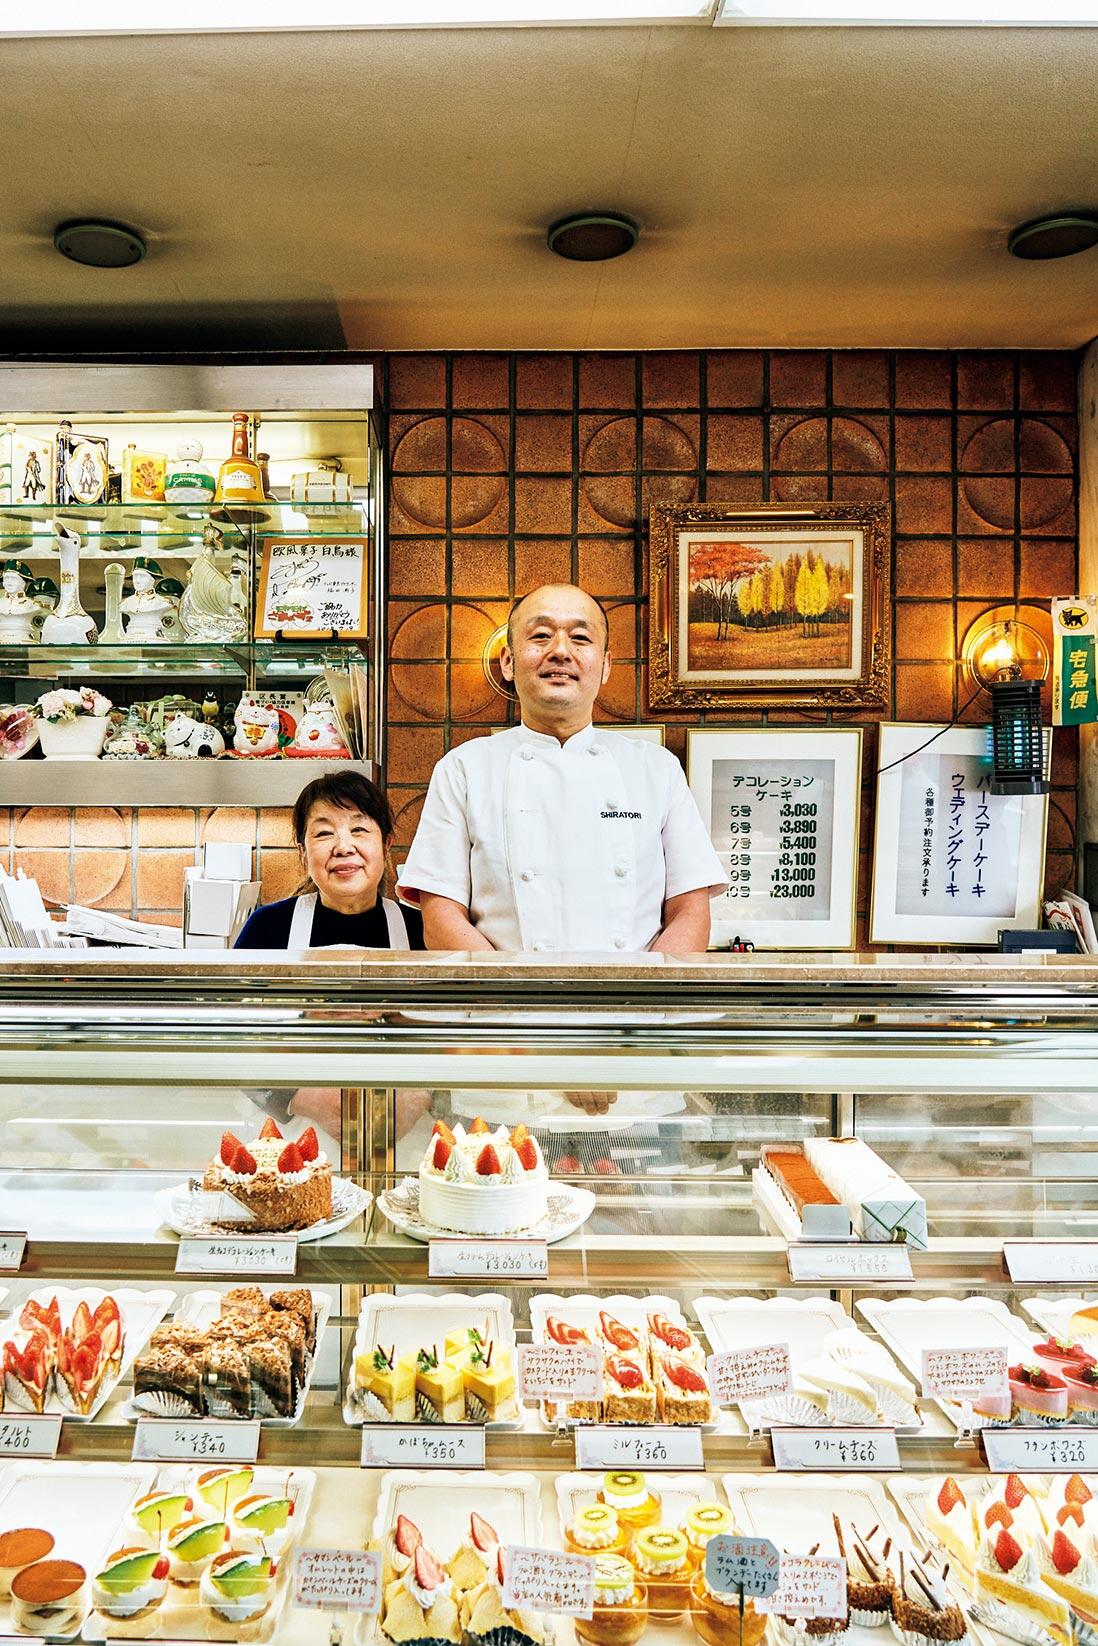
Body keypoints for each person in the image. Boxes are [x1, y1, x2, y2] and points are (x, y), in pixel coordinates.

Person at [400, 582, 726, 953]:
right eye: (540, 635)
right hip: (509, 1005)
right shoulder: (463, 769)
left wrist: (642, 1002)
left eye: (580, 638)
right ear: (508, 662)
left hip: (633, 1007)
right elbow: (440, 913)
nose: (559, 651)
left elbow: (691, 909)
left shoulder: (657, 769)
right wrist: (508, 999)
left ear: (604, 666)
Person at [235, 770, 424, 950]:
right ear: (303, 852)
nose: (343, 847)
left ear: (386, 844)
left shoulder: (421, 931)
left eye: (358, 830)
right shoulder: (267, 928)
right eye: (324, 833)